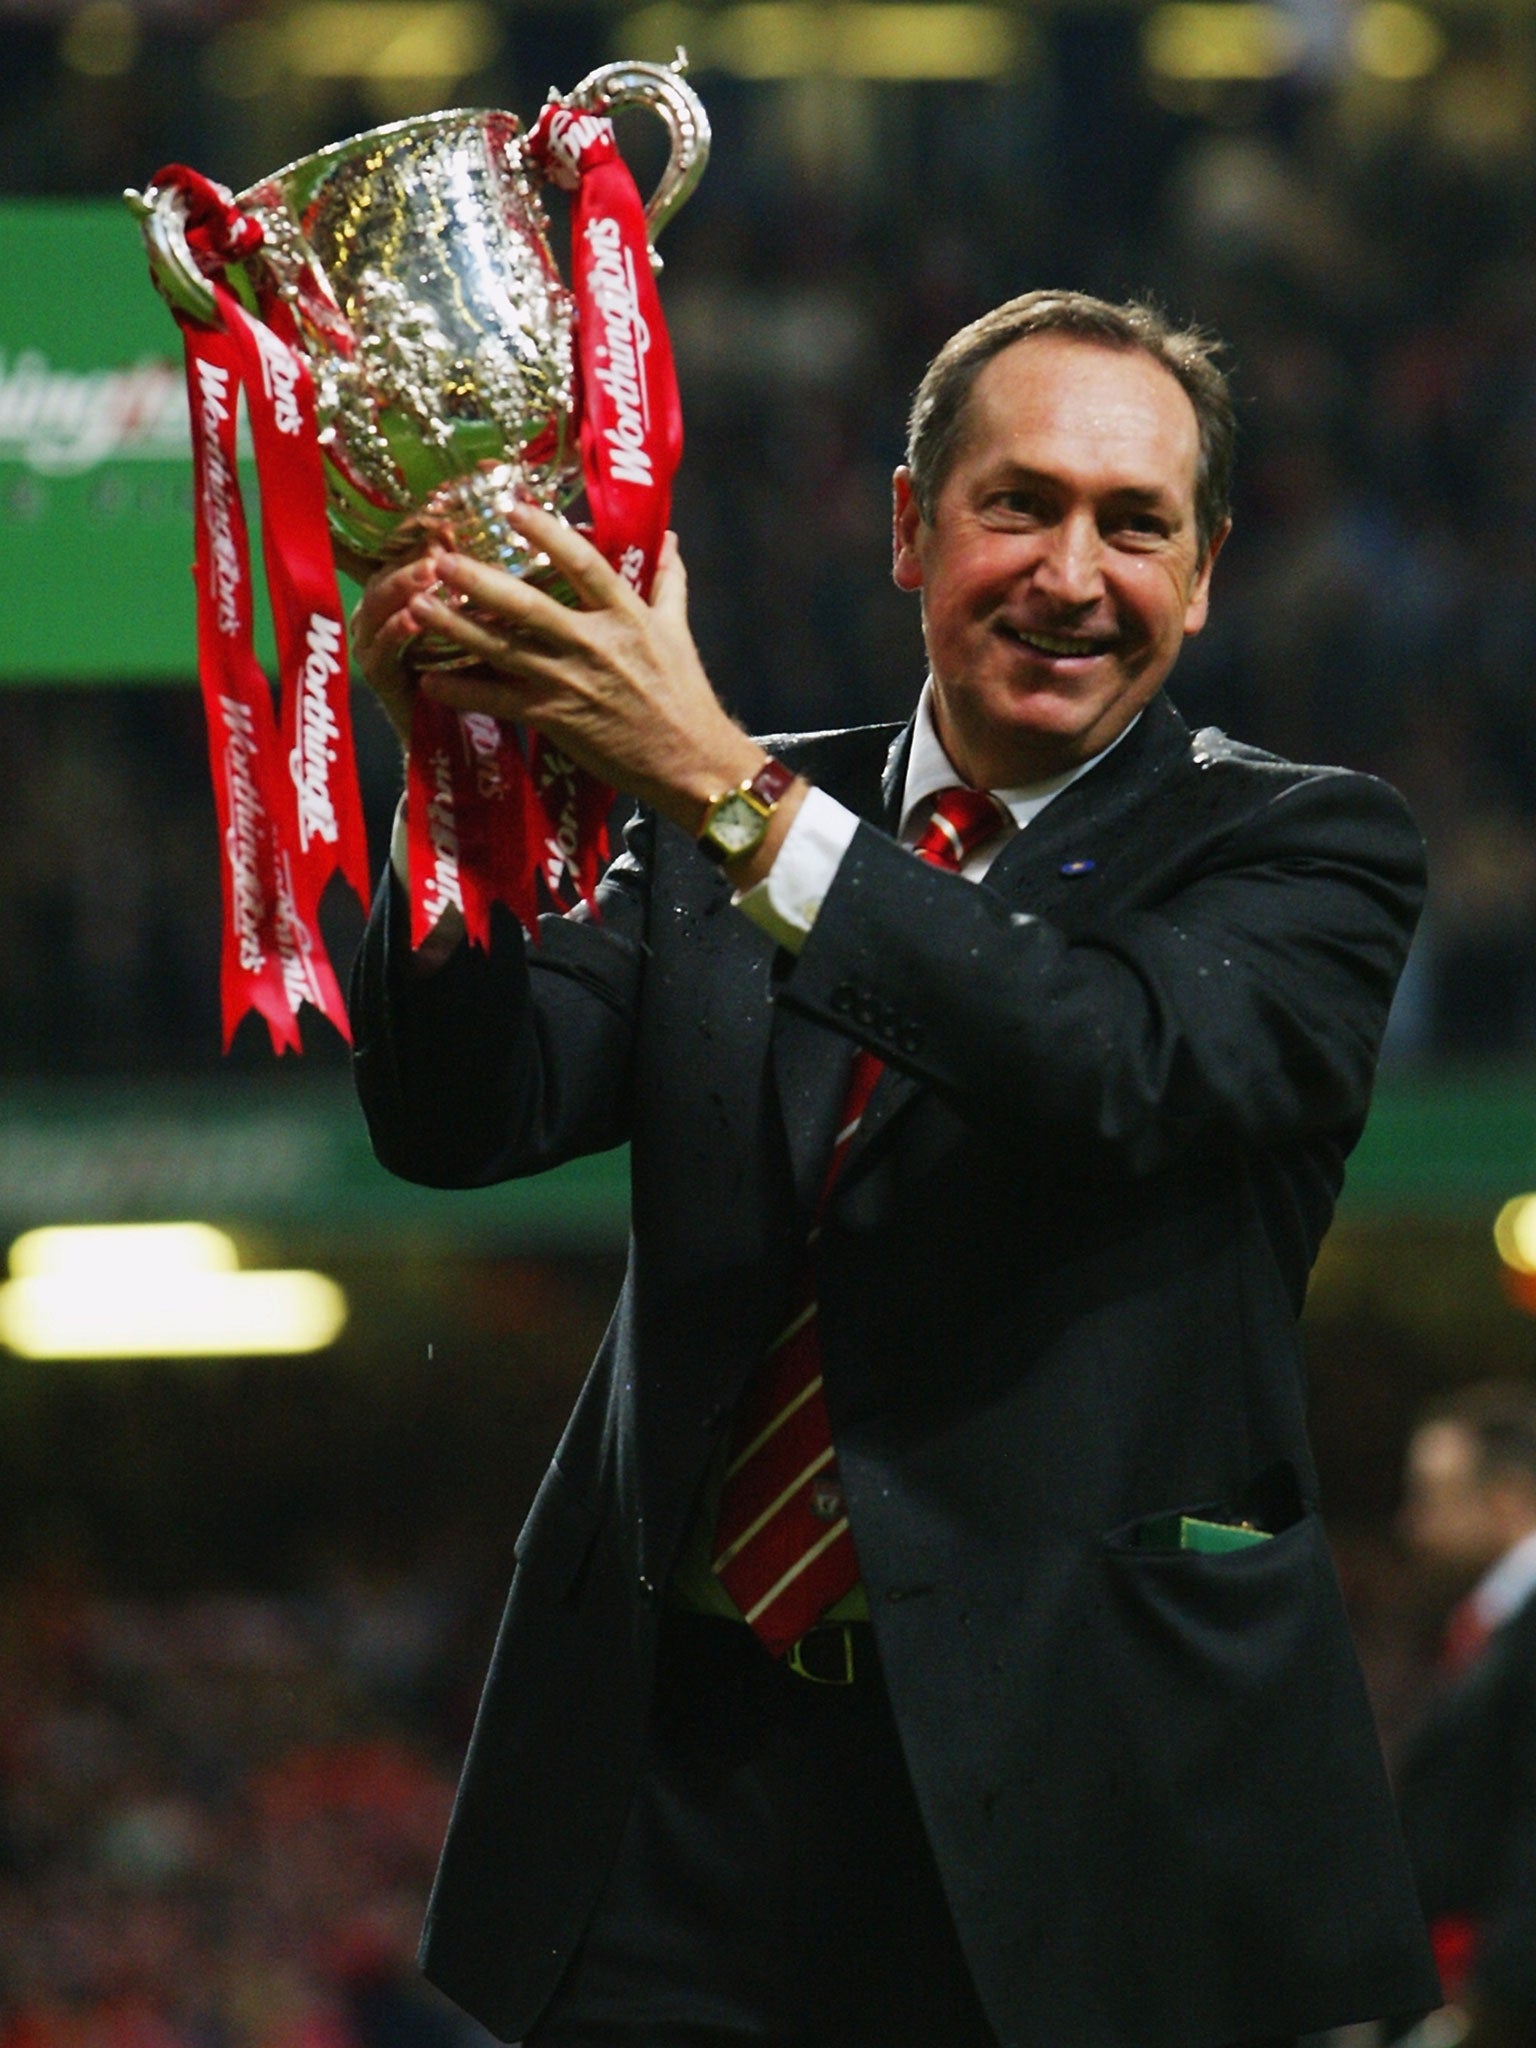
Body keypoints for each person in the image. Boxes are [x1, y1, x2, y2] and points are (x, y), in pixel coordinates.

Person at [347, 290, 1441, 2048]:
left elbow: (1104, 1059)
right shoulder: (733, 814)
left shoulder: (1306, 847)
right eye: (1019, 504)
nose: (1071, 574)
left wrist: (724, 791)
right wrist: (456, 789)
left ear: (1206, 572)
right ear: (909, 525)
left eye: (1135, 524)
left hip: (1080, 1806)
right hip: (679, 1791)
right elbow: (467, 1115)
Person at [1394, 1383, 1536, 2047]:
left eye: (1432, 1496)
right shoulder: (1493, 1622)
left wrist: (1495, 1993)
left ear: (1505, 1499)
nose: (1411, 1523)